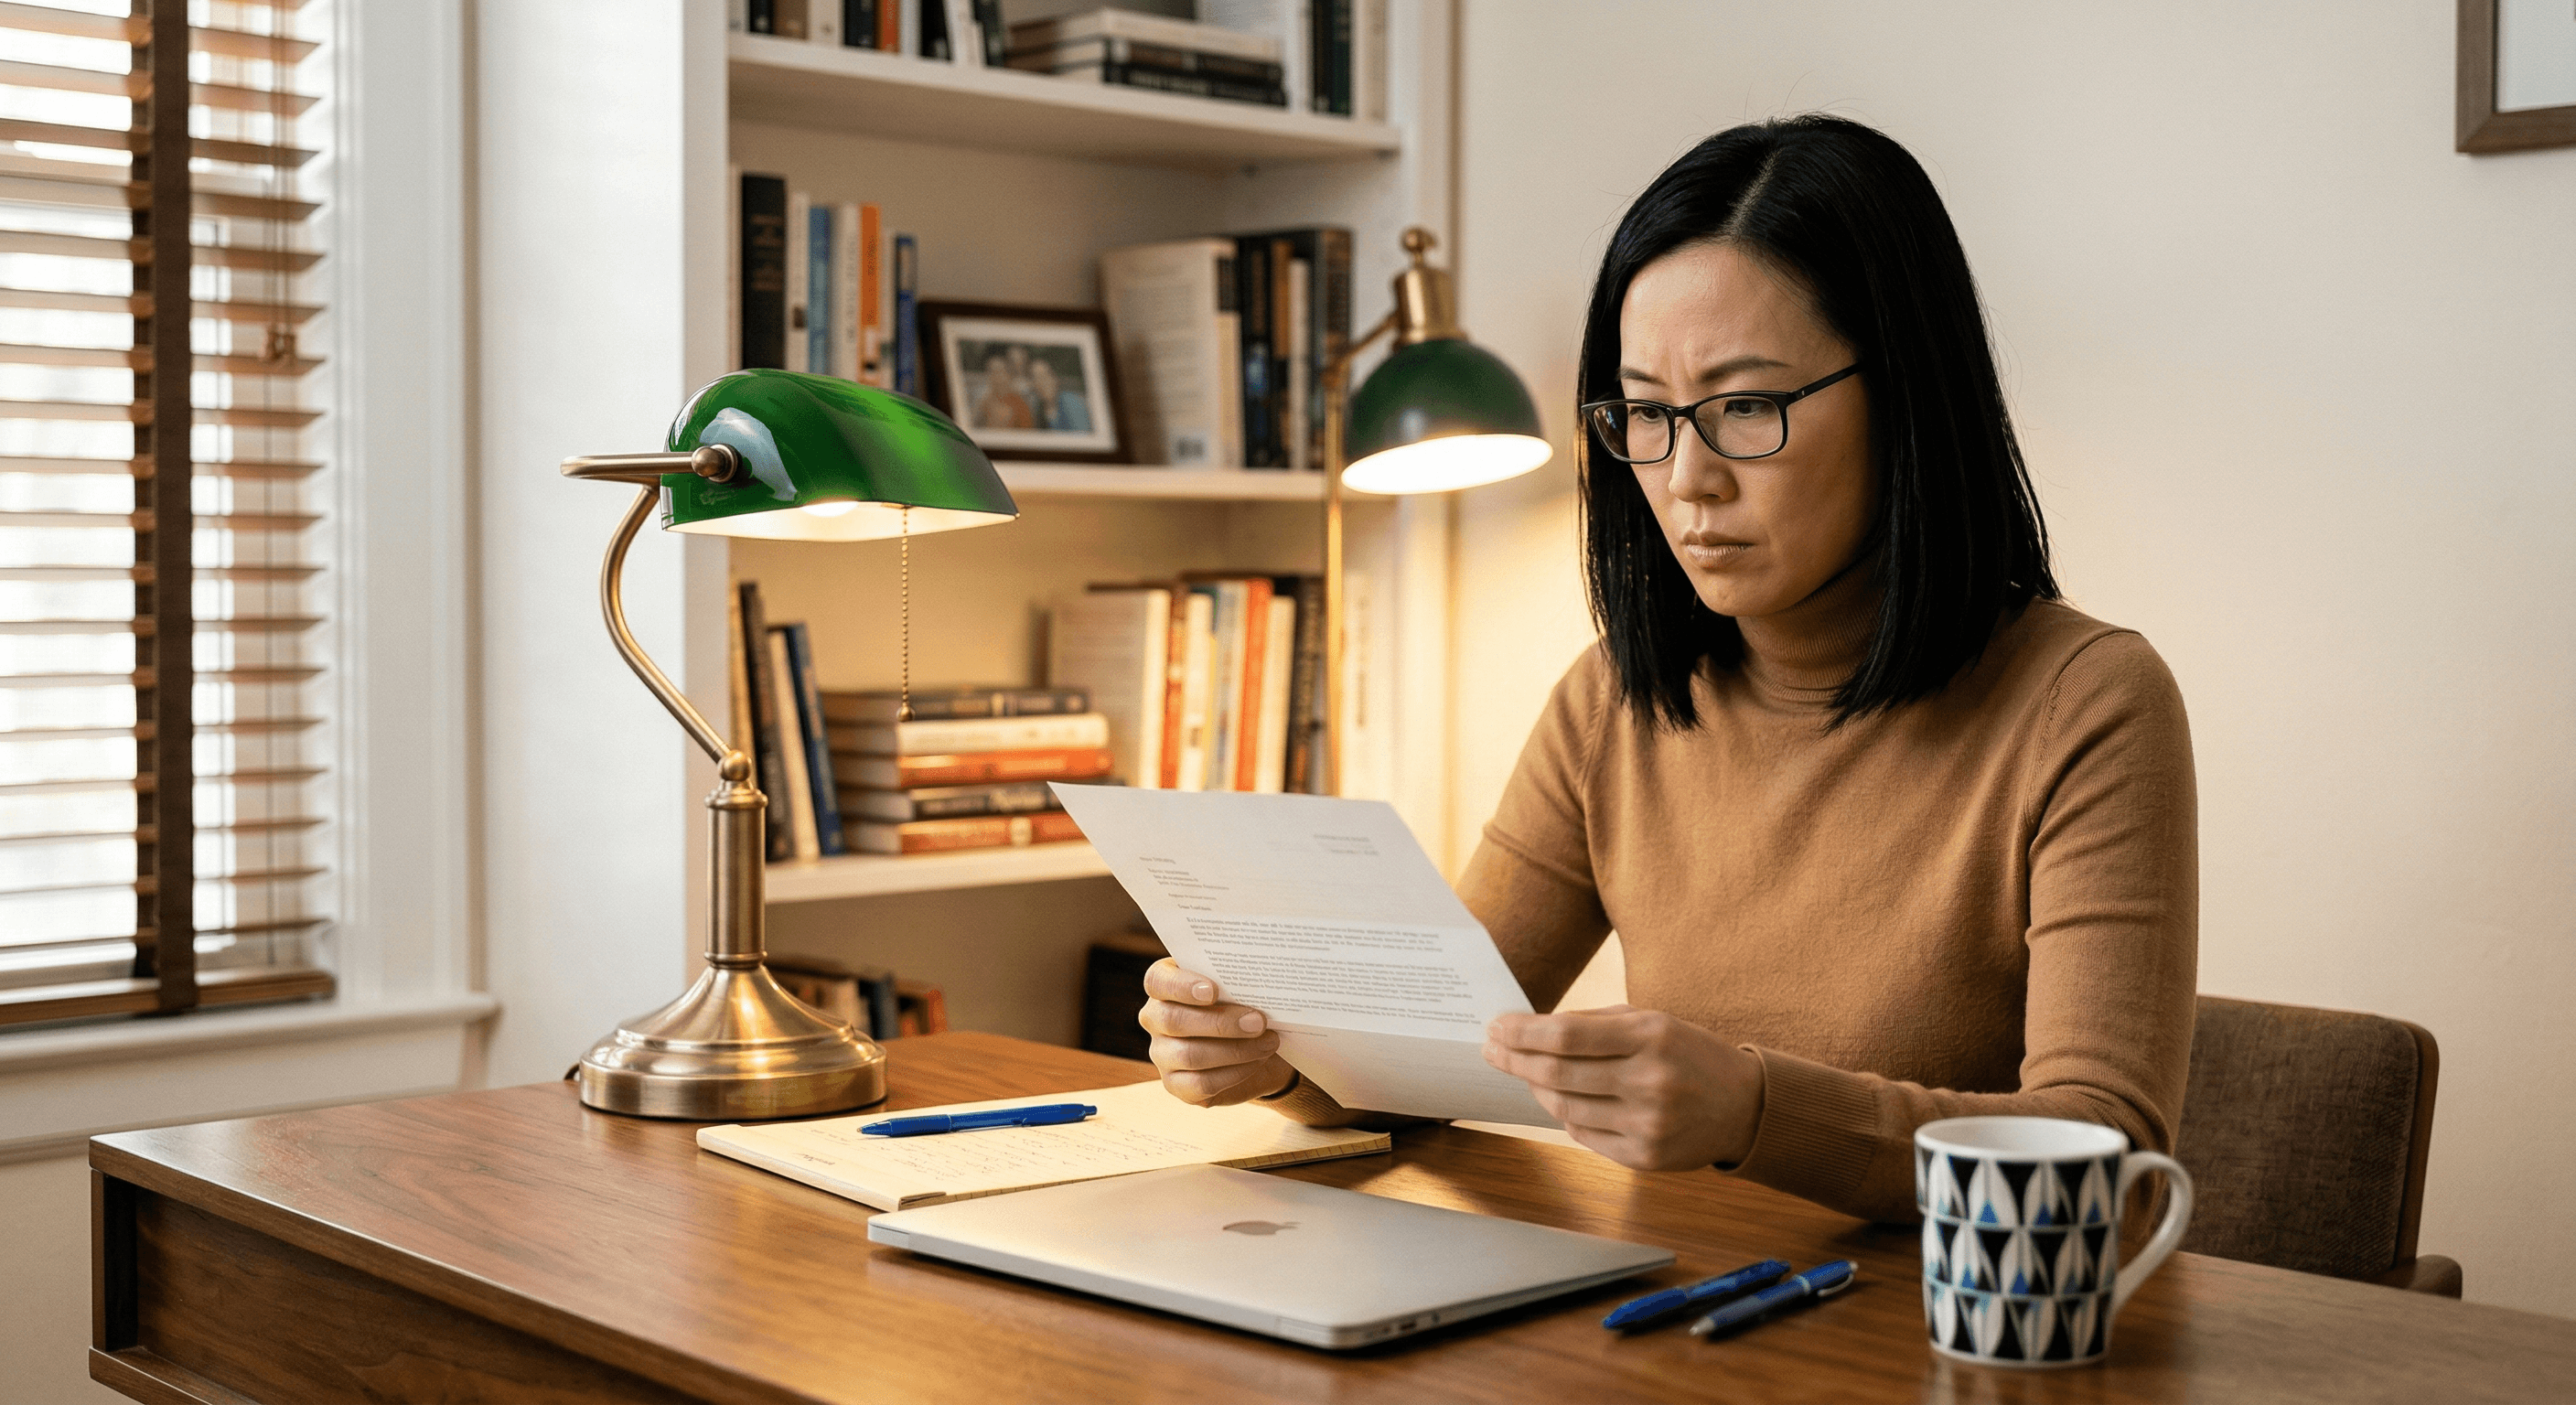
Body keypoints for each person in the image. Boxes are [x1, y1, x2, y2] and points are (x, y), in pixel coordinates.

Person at [1134, 114, 2197, 1226]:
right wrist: (1277, 1059)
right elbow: (1435, 1052)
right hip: (1671, 1314)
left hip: (1933, 1337)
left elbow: (2103, 1161)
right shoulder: (1611, 702)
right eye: (1645, 412)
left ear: (1904, 396)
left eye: (1744, 407)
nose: (1687, 478)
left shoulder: (2085, 701)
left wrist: (1753, 1111)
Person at [971, 348, 1034, 430]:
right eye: (991, 372)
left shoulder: (1020, 402)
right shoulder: (985, 400)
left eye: (999, 372)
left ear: (1008, 375)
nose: (995, 377)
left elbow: (1026, 431)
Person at [1028, 356, 1091, 433]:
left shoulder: (1072, 403)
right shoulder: (1038, 411)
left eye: (1046, 375)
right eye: (1036, 378)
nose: (1042, 382)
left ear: (1055, 378)